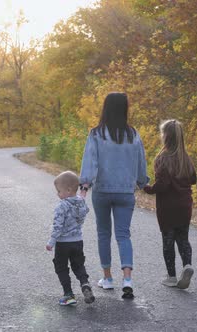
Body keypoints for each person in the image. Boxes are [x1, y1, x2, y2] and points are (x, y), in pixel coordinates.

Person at [79, 92, 149, 299]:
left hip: (102, 190)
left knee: (103, 233)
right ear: (124, 109)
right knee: (123, 234)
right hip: (125, 192)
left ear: (106, 108)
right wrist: (142, 182)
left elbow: (90, 162)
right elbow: (140, 162)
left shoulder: (96, 134)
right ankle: (127, 279)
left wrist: (85, 184)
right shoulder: (133, 134)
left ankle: (108, 279)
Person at [143, 119, 197, 289]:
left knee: (168, 241)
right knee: (183, 239)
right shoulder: (185, 158)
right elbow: (193, 179)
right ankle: (187, 265)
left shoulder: (162, 158)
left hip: (167, 208)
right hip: (184, 206)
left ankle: (171, 276)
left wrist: (147, 188)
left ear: (165, 136)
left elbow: (162, 185)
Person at [46, 171, 95, 306]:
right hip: (78, 242)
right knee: (78, 265)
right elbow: (84, 207)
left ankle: (68, 294)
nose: (58, 194)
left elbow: (57, 226)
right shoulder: (81, 203)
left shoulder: (62, 206)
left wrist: (51, 242)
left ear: (68, 190)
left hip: (63, 243)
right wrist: (82, 193)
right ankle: (84, 283)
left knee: (61, 267)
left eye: (59, 191)